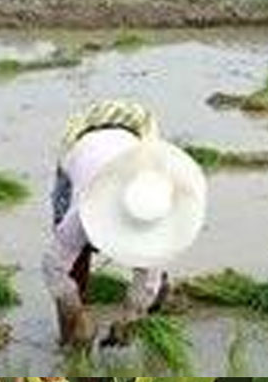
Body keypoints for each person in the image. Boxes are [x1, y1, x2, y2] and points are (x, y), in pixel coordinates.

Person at [42, 100, 207, 348]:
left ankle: (157, 300)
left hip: (134, 135)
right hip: (82, 144)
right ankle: (69, 339)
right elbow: (53, 266)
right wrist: (74, 310)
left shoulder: (157, 205)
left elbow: (148, 274)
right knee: (76, 261)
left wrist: (129, 318)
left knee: (150, 269)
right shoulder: (83, 213)